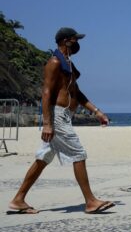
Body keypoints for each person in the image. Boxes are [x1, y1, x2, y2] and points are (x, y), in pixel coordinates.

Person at [8, 27, 115, 214]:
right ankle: (90, 201)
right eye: (75, 39)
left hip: (65, 115)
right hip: (57, 116)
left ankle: (18, 199)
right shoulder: (54, 62)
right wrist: (48, 123)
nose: (78, 43)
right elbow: (46, 92)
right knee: (78, 153)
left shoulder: (69, 65)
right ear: (66, 41)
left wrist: (97, 111)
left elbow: (77, 94)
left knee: (43, 158)